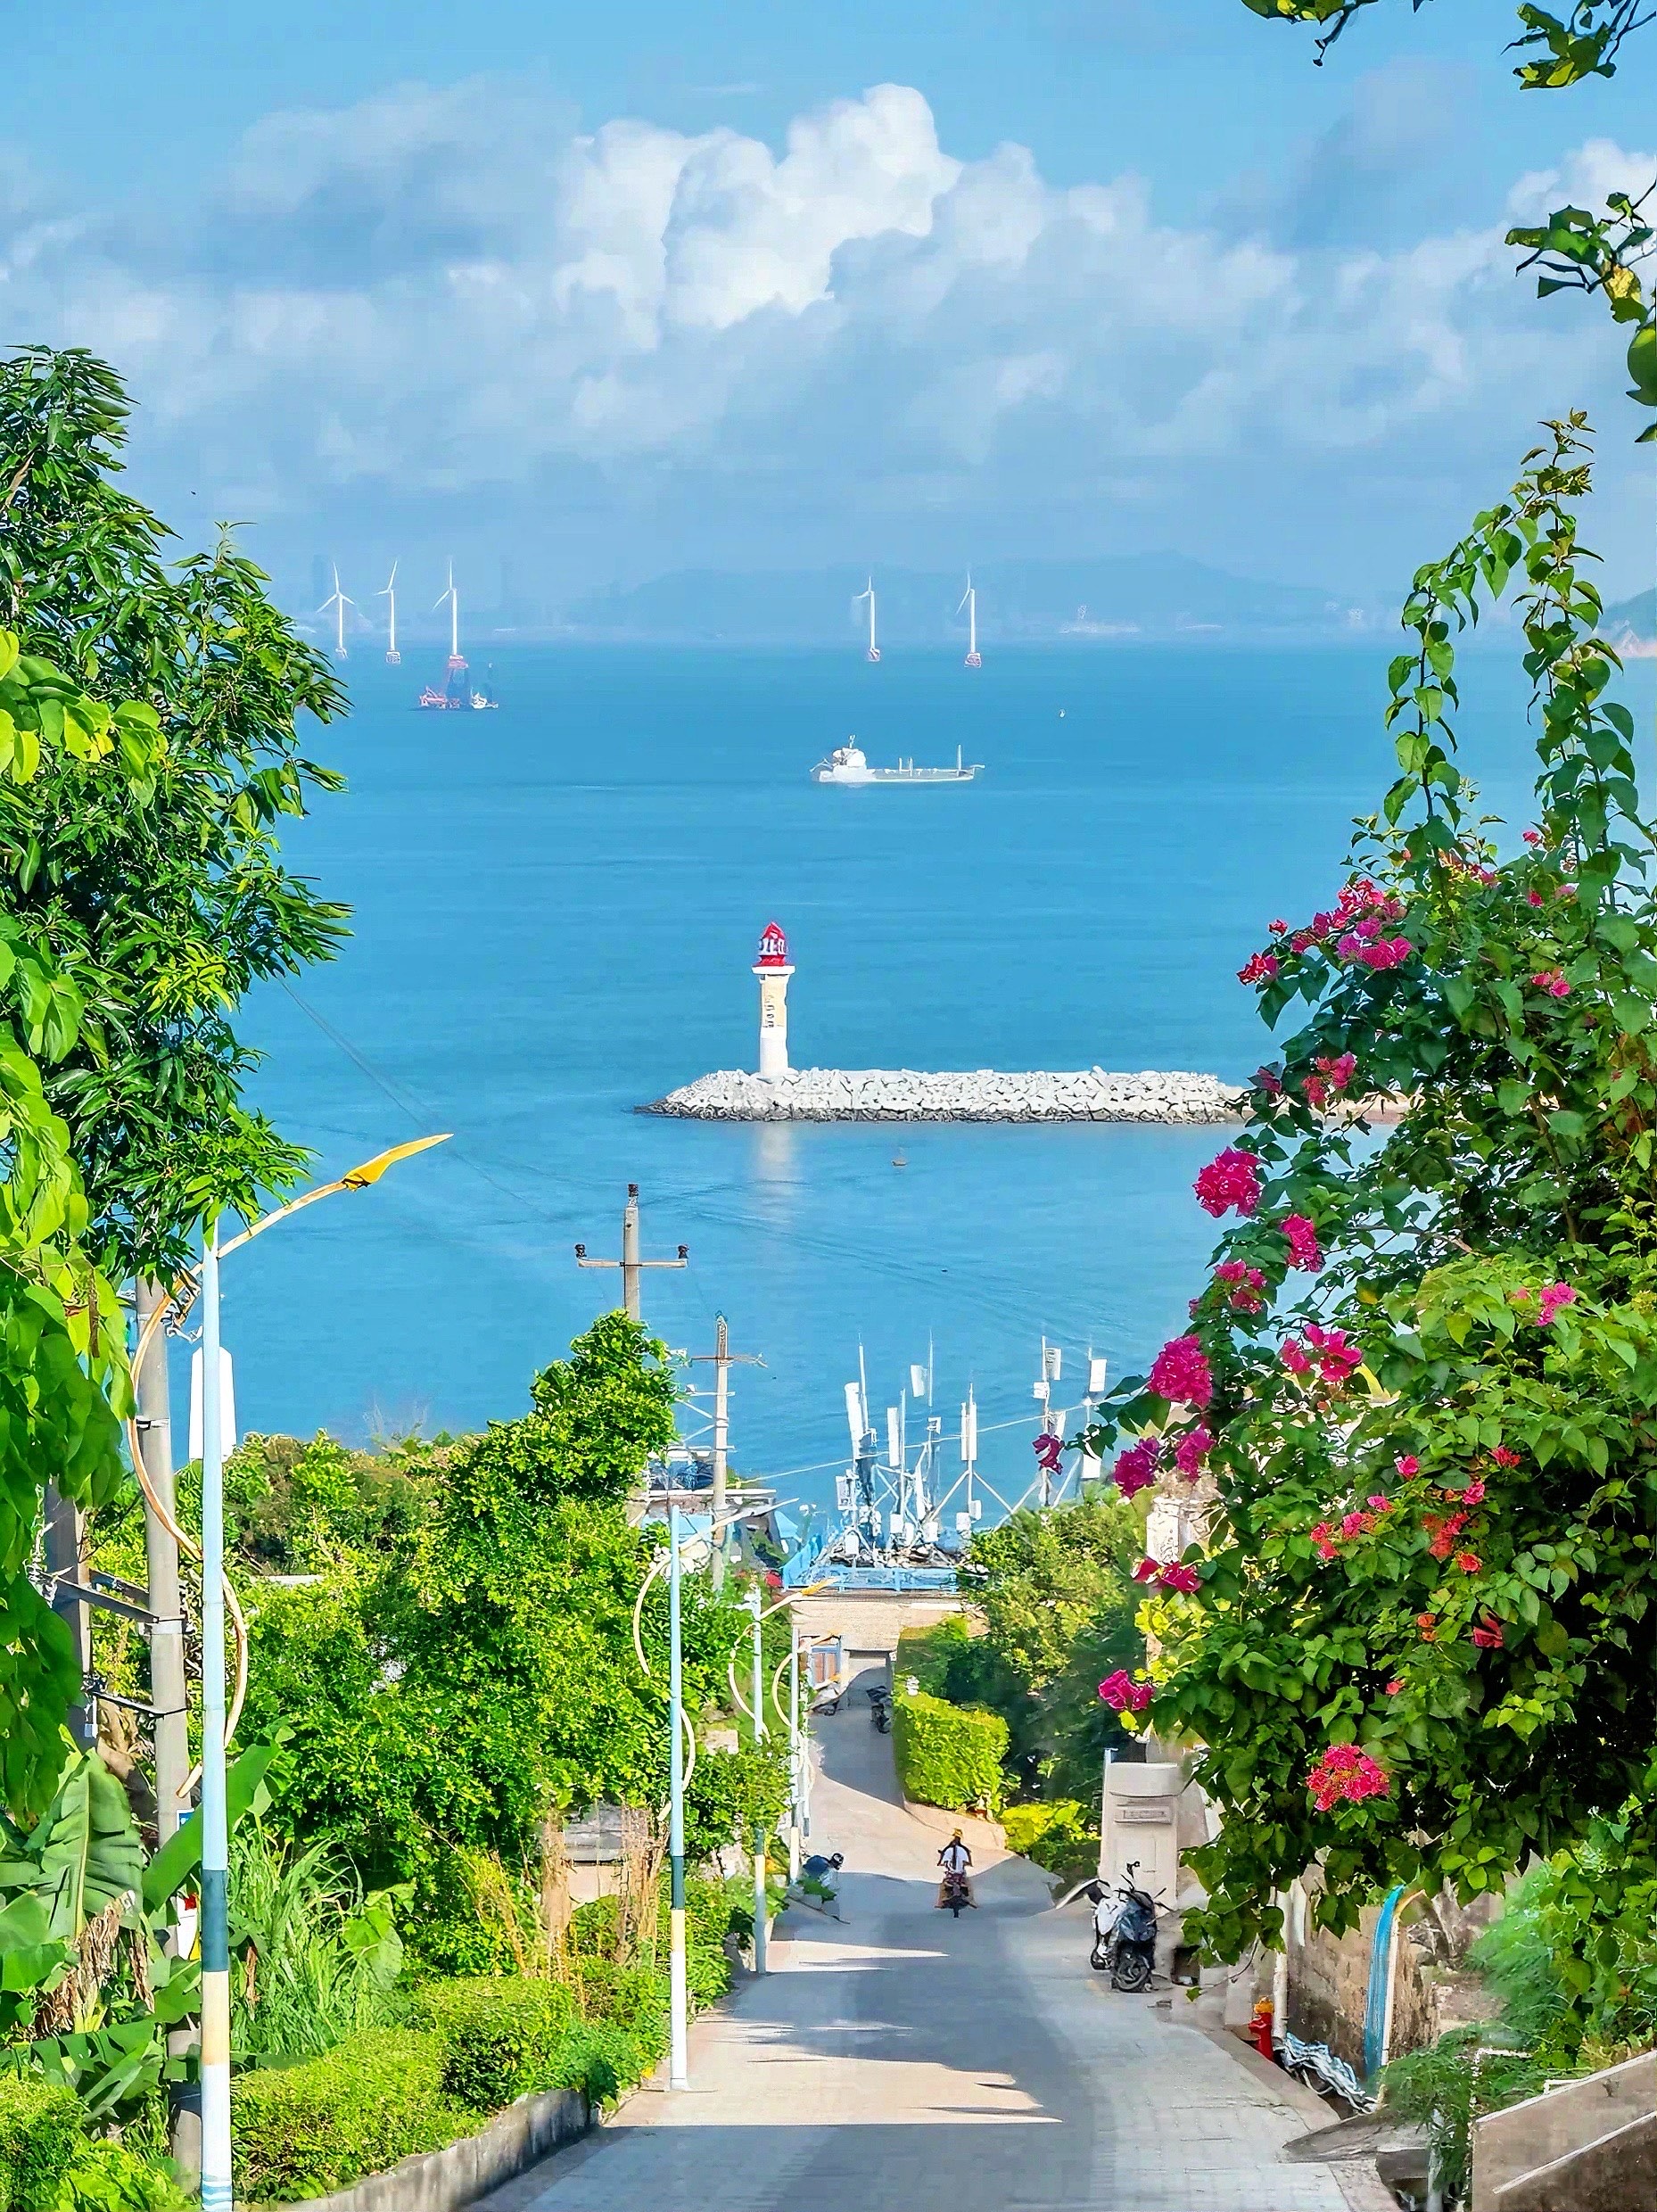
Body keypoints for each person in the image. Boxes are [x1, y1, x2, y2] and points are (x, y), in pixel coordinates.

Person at [936, 1829, 976, 1908]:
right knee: (968, 1885)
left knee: (943, 1887)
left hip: (950, 1874)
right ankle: (972, 1901)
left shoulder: (948, 1850)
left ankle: (940, 1903)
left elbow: (943, 1862)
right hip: (960, 1875)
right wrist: (967, 1864)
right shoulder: (963, 1850)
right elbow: (967, 1862)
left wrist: (942, 1863)